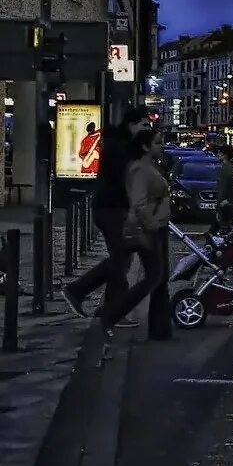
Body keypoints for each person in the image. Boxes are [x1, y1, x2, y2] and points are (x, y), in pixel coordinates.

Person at [61, 107, 153, 325]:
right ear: (133, 124)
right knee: (121, 259)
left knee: (122, 258)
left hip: (113, 208)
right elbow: (127, 180)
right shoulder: (119, 147)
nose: (147, 129)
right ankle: (86, 295)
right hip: (110, 209)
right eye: (144, 125)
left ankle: (102, 304)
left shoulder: (122, 145)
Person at [99, 128, 173, 339]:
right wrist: (151, 224)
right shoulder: (140, 169)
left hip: (157, 226)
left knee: (159, 278)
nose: (162, 146)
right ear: (145, 147)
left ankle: (160, 330)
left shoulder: (148, 166)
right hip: (150, 229)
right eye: (158, 142)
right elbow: (139, 203)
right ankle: (112, 313)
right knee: (154, 278)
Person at [208, 145, 233, 235]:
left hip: (226, 206)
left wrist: (221, 205)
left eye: (220, 153)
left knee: (224, 231)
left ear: (225, 155)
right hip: (228, 205)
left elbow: (225, 189)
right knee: (223, 231)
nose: (218, 155)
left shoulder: (227, 168)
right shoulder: (228, 167)